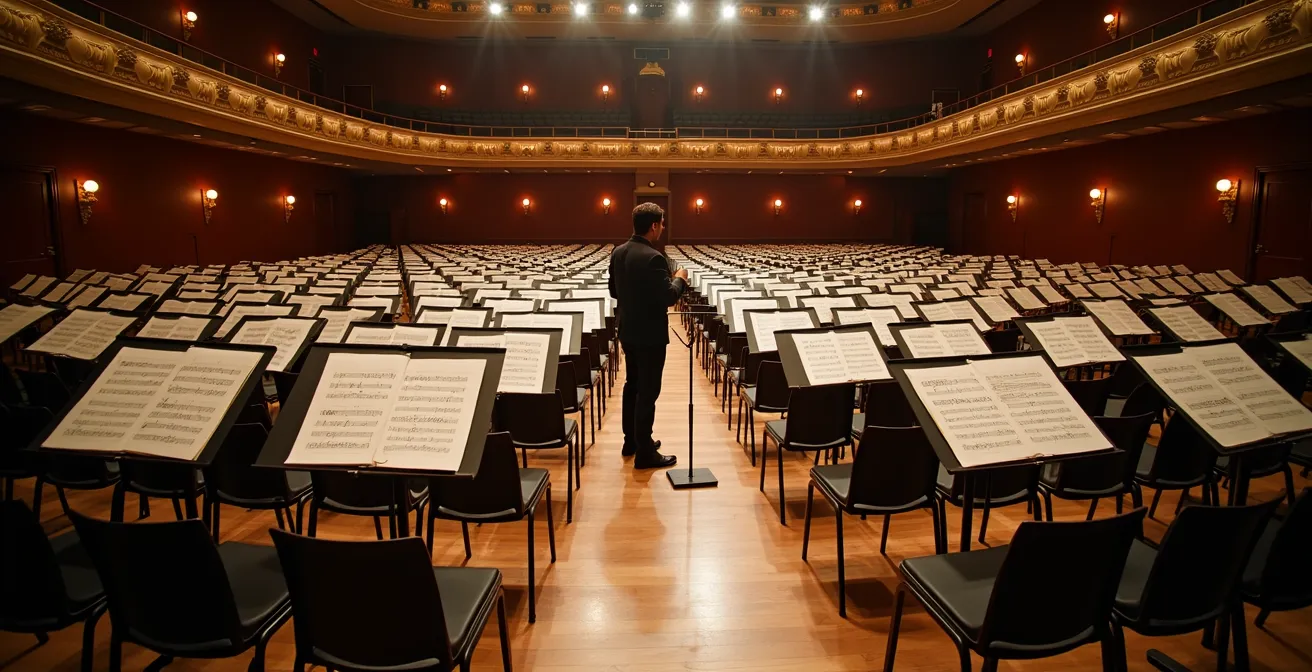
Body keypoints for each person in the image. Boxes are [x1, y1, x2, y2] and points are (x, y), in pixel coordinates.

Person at [608, 203, 687, 469]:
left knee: (632, 386)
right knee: (648, 392)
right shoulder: (654, 258)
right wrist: (680, 279)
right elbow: (668, 297)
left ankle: (632, 441)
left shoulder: (618, 252)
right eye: (662, 224)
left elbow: (614, 292)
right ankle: (644, 454)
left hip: (628, 330)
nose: (663, 228)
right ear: (654, 225)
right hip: (650, 336)